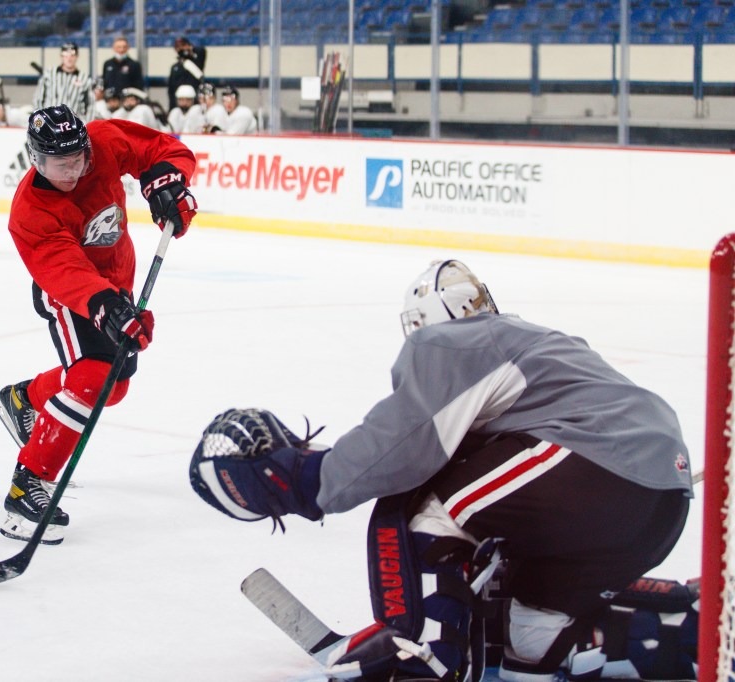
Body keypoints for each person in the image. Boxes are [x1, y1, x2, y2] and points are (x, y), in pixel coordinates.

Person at [189, 259, 696, 682]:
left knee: (430, 511)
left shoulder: (452, 342)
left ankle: (426, 659)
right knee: (532, 624)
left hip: (591, 465)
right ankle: (658, 633)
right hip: (664, 501)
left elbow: (405, 445)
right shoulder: (539, 342)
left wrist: (308, 481)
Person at [0, 105, 197, 546]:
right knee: (94, 376)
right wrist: (108, 308)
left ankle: (25, 399)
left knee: (114, 388)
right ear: (36, 160)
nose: (72, 172)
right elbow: (65, 271)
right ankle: (28, 486)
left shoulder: (102, 141)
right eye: (59, 165)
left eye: (77, 160)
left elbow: (161, 149)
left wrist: (167, 182)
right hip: (70, 294)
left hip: (117, 282)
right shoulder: (30, 211)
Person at [32, 42, 95, 121]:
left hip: (72, 123)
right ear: (61, 56)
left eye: (72, 55)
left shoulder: (84, 78)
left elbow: (90, 105)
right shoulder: (49, 74)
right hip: (50, 120)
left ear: (77, 57)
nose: (69, 58)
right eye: (66, 55)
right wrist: (39, 120)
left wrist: (87, 124)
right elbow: (38, 99)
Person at [166, 36, 205, 111]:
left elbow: (202, 51)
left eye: (183, 45)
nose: (181, 48)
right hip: (179, 104)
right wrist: (172, 107)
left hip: (194, 103)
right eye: (178, 46)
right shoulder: (175, 67)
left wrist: (190, 49)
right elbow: (171, 90)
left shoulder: (196, 63)